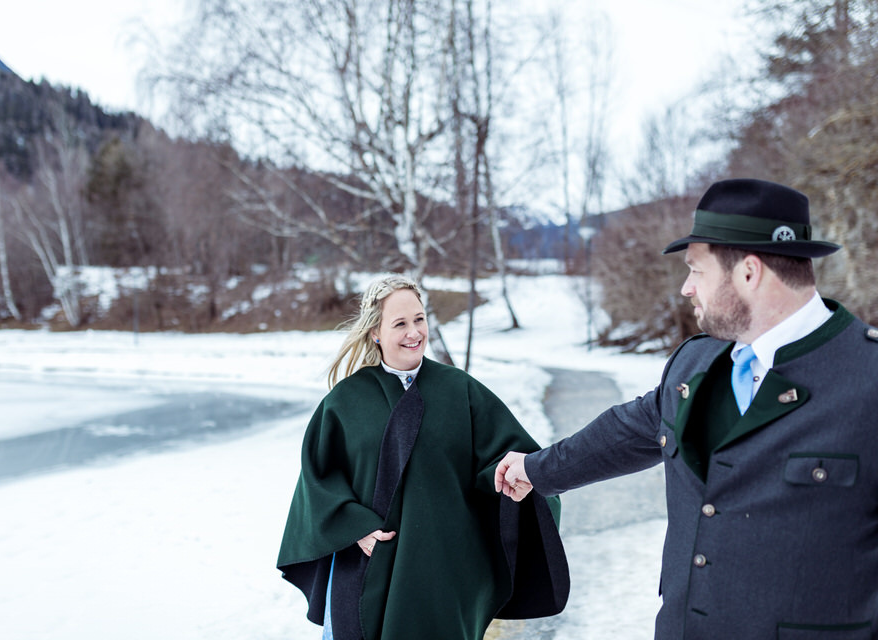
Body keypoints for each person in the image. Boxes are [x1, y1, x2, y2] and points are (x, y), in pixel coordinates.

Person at [495, 178, 878, 639]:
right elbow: (628, 431)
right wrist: (536, 470)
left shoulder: (867, 379)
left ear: (749, 273)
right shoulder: (696, 363)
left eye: (697, 271)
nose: (685, 289)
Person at [278, 274, 569, 640]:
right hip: (367, 566)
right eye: (399, 323)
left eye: (419, 319)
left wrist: (513, 476)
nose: (414, 332)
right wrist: (354, 526)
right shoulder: (345, 401)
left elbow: (507, 457)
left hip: (444, 571)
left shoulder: (459, 390)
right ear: (375, 332)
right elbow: (318, 480)